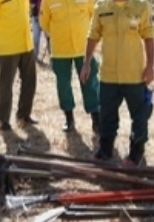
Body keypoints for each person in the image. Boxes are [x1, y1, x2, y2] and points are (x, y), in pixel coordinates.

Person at [80, 0, 154, 166]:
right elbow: (93, 36)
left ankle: (136, 153)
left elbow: (149, 36)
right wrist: (86, 63)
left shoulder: (141, 6)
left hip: (134, 75)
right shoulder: (101, 7)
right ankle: (105, 150)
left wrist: (150, 66)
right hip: (109, 75)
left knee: (140, 116)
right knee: (106, 115)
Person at [40, 0, 99, 133]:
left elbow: (92, 14)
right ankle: (69, 119)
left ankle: (96, 118)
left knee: (90, 82)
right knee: (63, 85)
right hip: (60, 49)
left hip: (83, 48)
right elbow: (44, 22)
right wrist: (59, 32)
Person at [0, 0, 37, 131]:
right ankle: (2, 119)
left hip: (26, 44)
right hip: (8, 45)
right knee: (6, 85)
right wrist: (0, 34)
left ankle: (24, 115)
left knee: (30, 81)